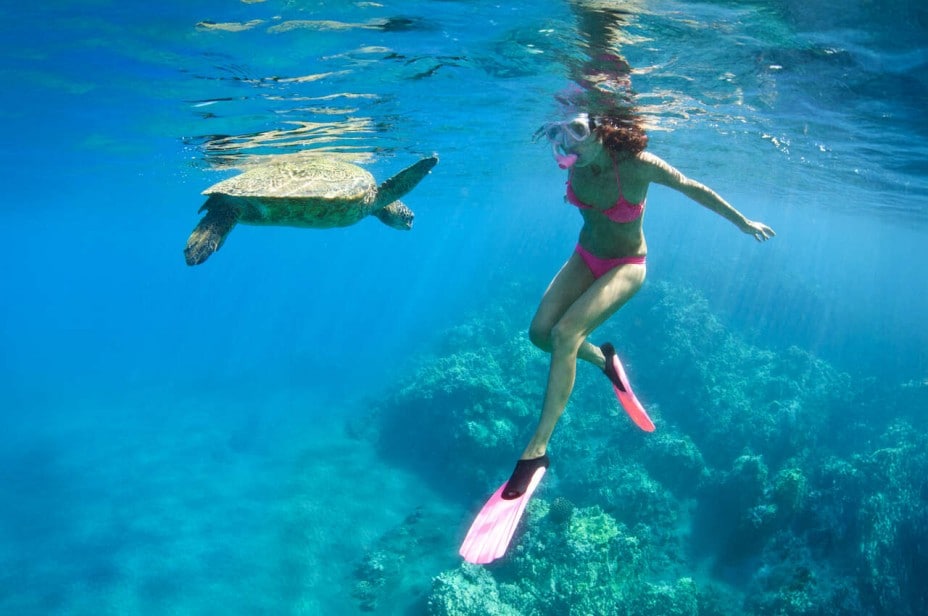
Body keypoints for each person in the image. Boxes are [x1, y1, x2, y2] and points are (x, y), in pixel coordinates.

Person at [500, 110, 775, 498]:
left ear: (601, 130)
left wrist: (743, 222)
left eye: (577, 130)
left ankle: (537, 451)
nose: (566, 141)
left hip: (627, 265)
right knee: (540, 334)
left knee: (565, 334)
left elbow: (691, 187)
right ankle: (604, 361)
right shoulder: (575, 162)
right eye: (557, 132)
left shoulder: (638, 164)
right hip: (586, 256)